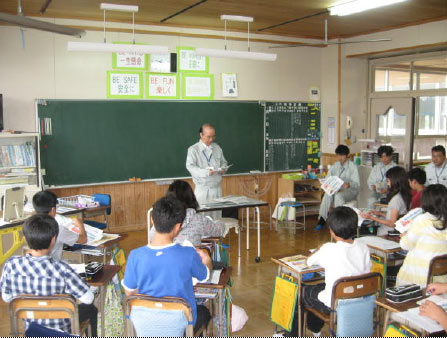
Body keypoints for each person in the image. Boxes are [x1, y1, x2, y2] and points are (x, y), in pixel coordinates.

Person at [123, 197, 212, 333]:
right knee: (204, 312)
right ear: (178, 227)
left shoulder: (135, 255)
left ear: (152, 220)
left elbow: (130, 292)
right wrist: (207, 261)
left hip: (144, 323)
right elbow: (204, 276)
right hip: (179, 323)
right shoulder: (188, 253)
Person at [280, 207, 371, 337]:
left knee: (299, 291)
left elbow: (309, 262)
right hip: (358, 298)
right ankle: (314, 328)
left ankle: (292, 334)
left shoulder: (329, 249)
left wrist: (319, 249)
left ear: (332, 231)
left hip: (334, 303)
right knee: (317, 290)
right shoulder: (363, 247)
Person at [0, 214, 98, 335]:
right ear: (53, 239)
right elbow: (88, 298)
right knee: (91, 309)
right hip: (59, 331)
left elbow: (6, 297)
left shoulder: (11, 265)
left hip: (32, 330)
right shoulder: (62, 269)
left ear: (25, 238)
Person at [396, 184, 447, 287]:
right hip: (440, 279)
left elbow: (405, 245)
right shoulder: (444, 221)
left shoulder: (422, 219)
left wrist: (405, 235)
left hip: (417, 278)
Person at [149, 180, 228, 246]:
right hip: (192, 262)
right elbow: (219, 230)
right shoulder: (198, 220)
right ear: (191, 197)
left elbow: (151, 237)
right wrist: (219, 222)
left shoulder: (160, 219)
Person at [186, 123, 228, 219]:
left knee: (216, 217)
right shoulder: (193, 149)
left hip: (216, 188)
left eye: (213, 136)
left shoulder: (217, 148)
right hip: (202, 189)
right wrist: (206, 172)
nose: (211, 140)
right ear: (201, 135)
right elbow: (190, 167)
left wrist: (223, 168)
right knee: (202, 217)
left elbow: (224, 162)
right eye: (208, 137)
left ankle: (216, 234)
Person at [32, 190, 87, 261]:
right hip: (54, 265)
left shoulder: (31, 225)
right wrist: (80, 225)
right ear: (53, 209)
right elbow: (83, 240)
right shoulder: (58, 228)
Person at [315, 145, 360, 230]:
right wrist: (325, 184)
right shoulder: (334, 166)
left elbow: (357, 184)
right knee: (327, 195)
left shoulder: (353, 166)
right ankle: (322, 219)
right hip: (336, 189)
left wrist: (349, 184)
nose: (340, 158)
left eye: (342, 155)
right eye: (338, 155)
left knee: (338, 196)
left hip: (350, 191)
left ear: (347, 155)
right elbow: (328, 178)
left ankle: (337, 221)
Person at [361, 166, 412, 236]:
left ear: (395, 181)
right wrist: (380, 213)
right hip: (394, 231)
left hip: (387, 233)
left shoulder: (396, 199)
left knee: (362, 233)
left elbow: (392, 223)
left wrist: (371, 218)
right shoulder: (404, 195)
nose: (387, 184)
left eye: (388, 181)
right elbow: (395, 217)